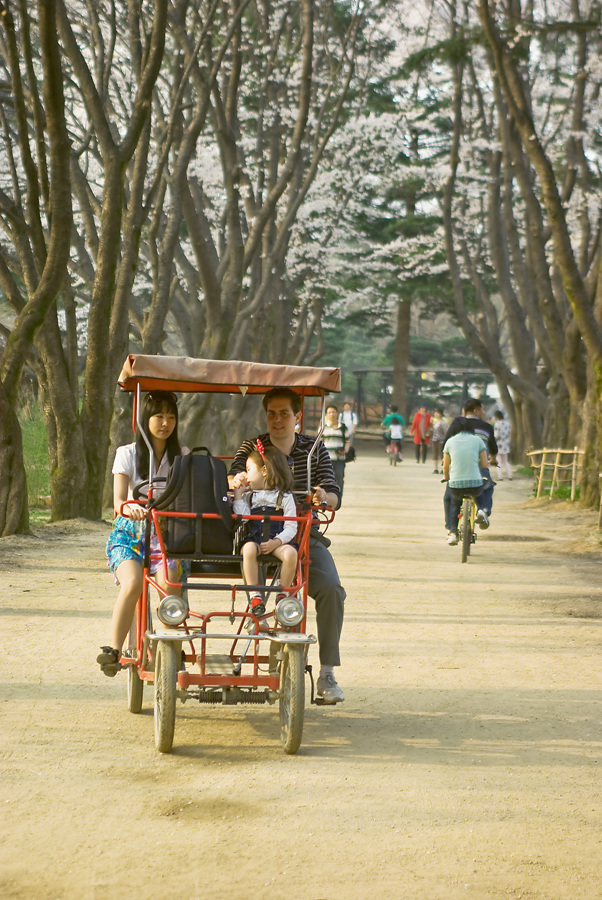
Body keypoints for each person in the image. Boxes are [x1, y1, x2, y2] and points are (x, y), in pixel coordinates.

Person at [228, 387, 346, 704]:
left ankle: (327, 673)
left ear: (297, 417)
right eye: (272, 413)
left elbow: (334, 495)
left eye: (284, 414)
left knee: (332, 589)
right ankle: (261, 612)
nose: (277, 420)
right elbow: (233, 477)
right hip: (255, 532)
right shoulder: (253, 447)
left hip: (301, 533)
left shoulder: (314, 449)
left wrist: (323, 495)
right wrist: (237, 480)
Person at [98, 391, 186, 676]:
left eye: (171, 417)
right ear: (145, 418)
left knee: (170, 585)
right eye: (159, 416)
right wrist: (130, 509)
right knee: (133, 582)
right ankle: (114, 649)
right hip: (129, 535)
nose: (165, 423)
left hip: (166, 537)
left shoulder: (182, 457)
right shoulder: (126, 454)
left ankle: (172, 647)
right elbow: (118, 502)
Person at [231, 441, 298, 623]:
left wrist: (277, 542)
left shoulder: (284, 496)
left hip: (277, 541)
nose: (246, 474)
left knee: (291, 554)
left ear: (265, 471)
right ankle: (255, 594)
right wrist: (238, 495)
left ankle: (282, 593)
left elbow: (291, 526)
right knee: (248, 550)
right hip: (255, 538)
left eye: (249, 469)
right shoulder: (249, 496)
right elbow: (242, 518)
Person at [445, 398, 497, 518]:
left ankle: (451, 529)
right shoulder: (486, 427)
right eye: (483, 410)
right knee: (488, 486)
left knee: (449, 497)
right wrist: (493, 459)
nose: (484, 413)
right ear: (476, 411)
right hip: (479, 467)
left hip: (458, 468)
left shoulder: (455, 426)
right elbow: (493, 447)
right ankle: (483, 510)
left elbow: (446, 445)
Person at [442, 419, 489, 545]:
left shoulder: (450, 442)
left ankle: (452, 533)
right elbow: (484, 464)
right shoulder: (478, 440)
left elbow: (445, 466)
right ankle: (481, 511)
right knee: (481, 493)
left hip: (456, 484)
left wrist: (446, 478)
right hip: (474, 483)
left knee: (454, 504)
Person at [322, 403, 349, 497]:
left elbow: (348, 441)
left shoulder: (343, 427)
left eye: (333, 412)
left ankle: (338, 498)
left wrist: (345, 449)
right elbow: (319, 442)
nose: (331, 414)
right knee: (326, 479)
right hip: (326, 459)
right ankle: (327, 498)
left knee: (339, 478)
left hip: (339, 458)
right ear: (326, 415)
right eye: (329, 412)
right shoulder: (323, 428)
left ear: (337, 414)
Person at [493, 410, 513, 480]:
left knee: (498, 461)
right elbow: (509, 433)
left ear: (496, 416)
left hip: (499, 444)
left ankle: (500, 476)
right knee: (506, 461)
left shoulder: (497, 424)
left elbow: (496, 435)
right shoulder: (507, 424)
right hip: (506, 444)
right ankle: (510, 475)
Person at [430, 408, 448, 474]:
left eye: (436, 413)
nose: (435, 414)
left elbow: (445, 432)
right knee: (435, 455)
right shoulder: (435, 422)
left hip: (441, 441)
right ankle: (435, 468)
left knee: (442, 455)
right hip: (435, 440)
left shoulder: (443, 423)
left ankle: (443, 469)